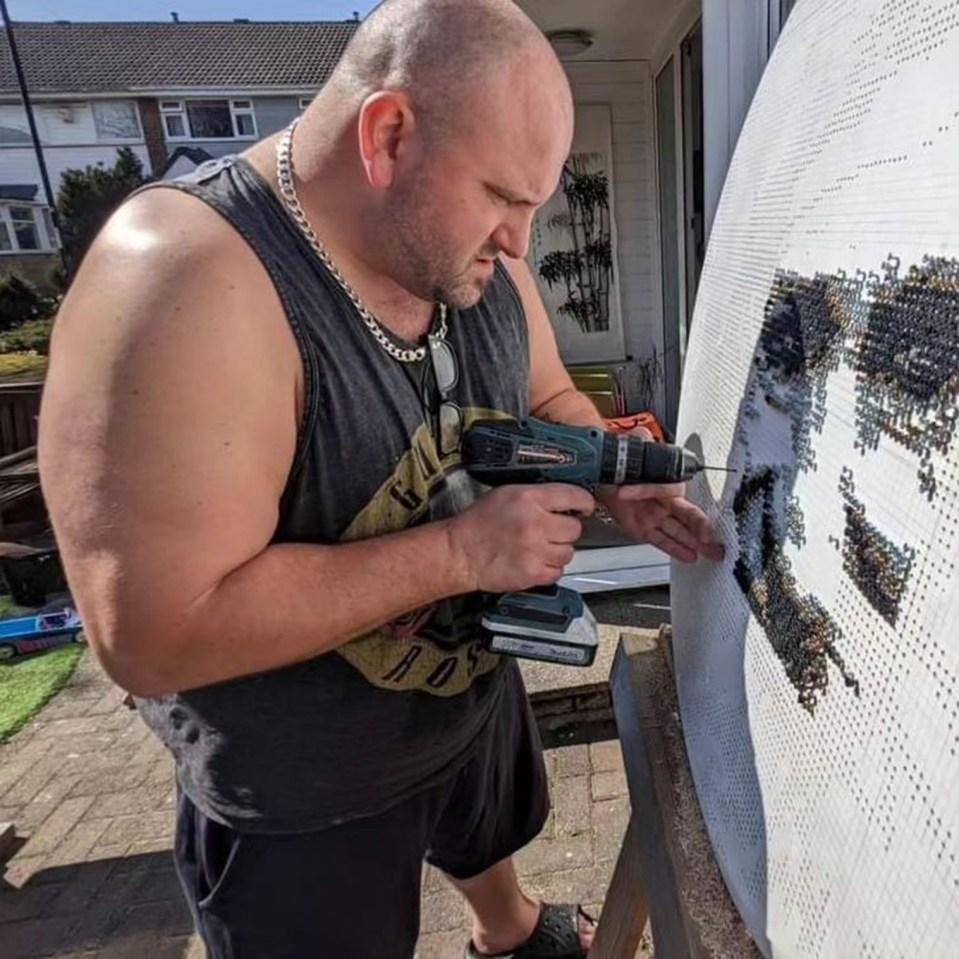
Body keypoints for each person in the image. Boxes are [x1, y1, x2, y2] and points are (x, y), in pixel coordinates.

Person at [39, 1, 724, 956]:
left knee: (487, 838)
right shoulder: (182, 281)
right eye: (500, 198)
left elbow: (550, 391)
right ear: (388, 134)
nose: (522, 243)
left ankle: (510, 930)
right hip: (305, 793)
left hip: (460, 699)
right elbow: (152, 636)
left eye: (535, 203)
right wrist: (460, 552)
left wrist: (613, 472)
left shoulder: (478, 253)